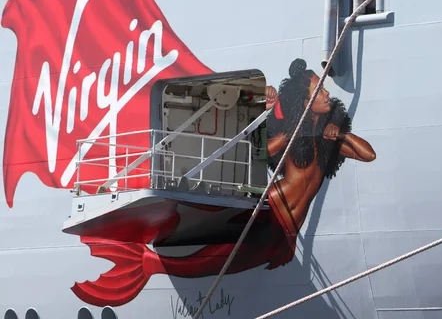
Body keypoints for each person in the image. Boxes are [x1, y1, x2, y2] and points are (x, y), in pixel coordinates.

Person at [71, 58, 376, 307]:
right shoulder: (291, 134)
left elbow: (368, 154)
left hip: (286, 232)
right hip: (271, 215)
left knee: (231, 263)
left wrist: (343, 134)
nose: (327, 95)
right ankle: (147, 262)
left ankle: (148, 263)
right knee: (220, 262)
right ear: (304, 100)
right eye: (319, 90)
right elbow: (256, 152)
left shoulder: (326, 138)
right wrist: (280, 129)